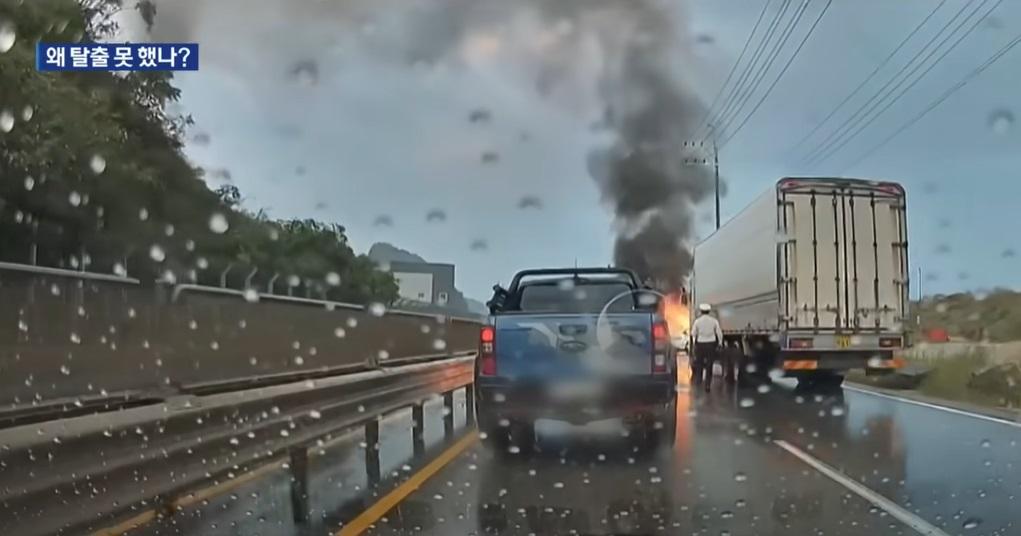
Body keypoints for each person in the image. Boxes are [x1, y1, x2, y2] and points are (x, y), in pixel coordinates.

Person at [691, 303, 723, 392]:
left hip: (700, 344)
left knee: (699, 364)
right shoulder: (714, 321)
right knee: (709, 365)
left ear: (701, 311)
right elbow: (719, 333)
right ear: (709, 311)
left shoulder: (697, 321)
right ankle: (707, 385)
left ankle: (699, 381)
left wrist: (694, 344)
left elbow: (693, 334)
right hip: (711, 344)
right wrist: (719, 343)